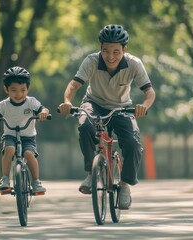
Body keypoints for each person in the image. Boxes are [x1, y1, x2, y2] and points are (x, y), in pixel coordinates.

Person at [58, 24, 156, 209]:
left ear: (124, 50)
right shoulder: (91, 61)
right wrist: (68, 102)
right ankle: (90, 172)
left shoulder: (134, 63)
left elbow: (150, 93)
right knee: (85, 125)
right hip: (93, 103)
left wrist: (144, 106)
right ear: (100, 48)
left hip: (122, 107)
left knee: (133, 143)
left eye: (116, 52)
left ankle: (125, 185)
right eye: (106, 51)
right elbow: (73, 85)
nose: (110, 56)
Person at [0, 66, 50, 194]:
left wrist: (43, 113)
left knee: (28, 154)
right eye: (14, 90)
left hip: (28, 136)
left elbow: (44, 109)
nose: (18, 94)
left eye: (22, 90)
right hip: (10, 135)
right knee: (9, 149)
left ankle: (36, 181)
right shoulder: (4, 104)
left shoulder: (31, 102)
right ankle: (5, 179)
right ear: (6, 89)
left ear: (28, 89)